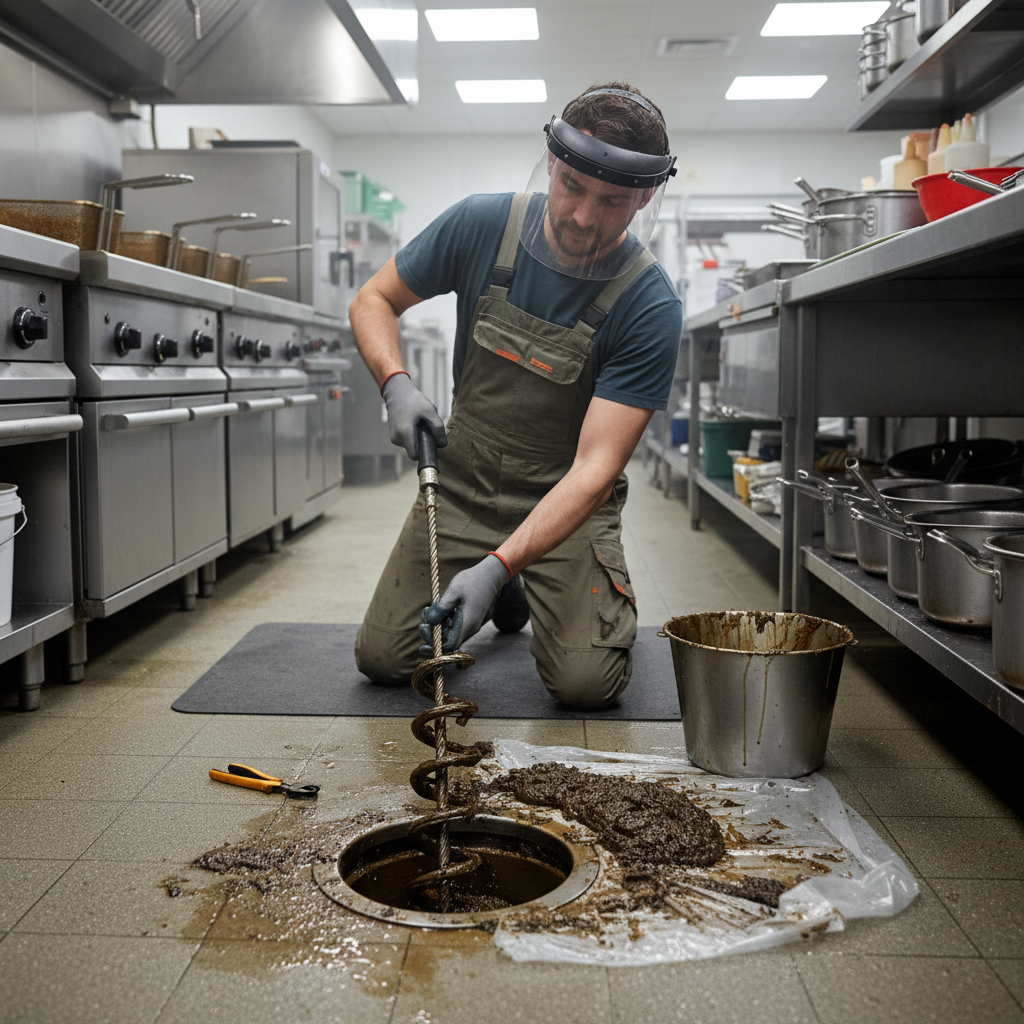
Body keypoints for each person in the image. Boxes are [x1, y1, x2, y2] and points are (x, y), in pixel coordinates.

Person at [351, 82, 682, 709]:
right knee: (385, 660)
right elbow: (374, 299)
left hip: (566, 500)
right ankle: (509, 584)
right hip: (464, 482)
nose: (584, 217)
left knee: (586, 686)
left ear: (644, 197)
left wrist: (498, 564)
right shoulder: (483, 223)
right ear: (553, 164)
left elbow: (595, 469)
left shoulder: (648, 302)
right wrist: (395, 383)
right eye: (573, 188)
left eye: (612, 201)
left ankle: (514, 572)